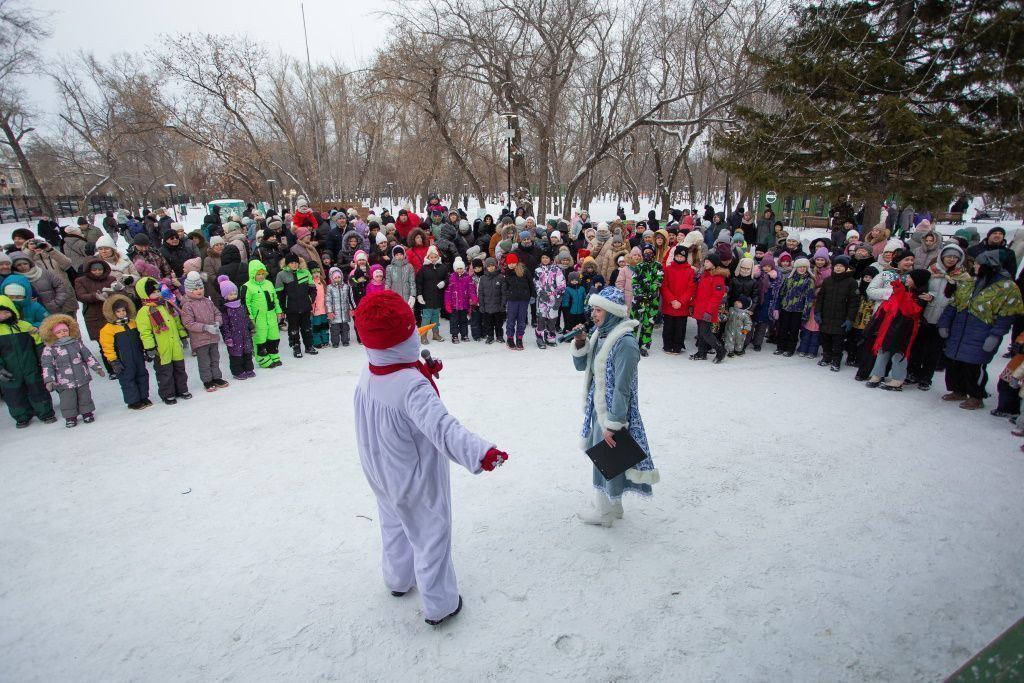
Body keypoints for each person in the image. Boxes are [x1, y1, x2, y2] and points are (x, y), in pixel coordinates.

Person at [351, 290, 507, 626]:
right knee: (430, 531)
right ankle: (441, 604)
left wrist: (422, 369)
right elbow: (441, 427)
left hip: (379, 470)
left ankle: (397, 579)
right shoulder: (410, 385)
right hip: (412, 475)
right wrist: (480, 452)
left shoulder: (370, 372)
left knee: (393, 522)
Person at [570, 286, 659, 527]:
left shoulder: (625, 343)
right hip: (598, 408)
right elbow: (582, 369)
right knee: (609, 457)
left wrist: (614, 423)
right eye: (593, 310)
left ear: (611, 312)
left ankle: (603, 513)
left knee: (604, 459)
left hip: (612, 412)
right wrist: (580, 342)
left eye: (598, 310)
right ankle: (614, 505)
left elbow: (623, 388)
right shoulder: (601, 335)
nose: (594, 315)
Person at [939, 250, 1024, 409]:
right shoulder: (969, 282)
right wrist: (944, 323)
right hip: (959, 330)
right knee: (953, 363)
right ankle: (958, 390)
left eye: (979, 264)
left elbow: (1008, 315)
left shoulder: (1007, 287)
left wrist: (995, 335)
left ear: (989, 266)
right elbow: (953, 304)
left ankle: (976, 396)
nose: (975, 266)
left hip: (981, 332)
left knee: (974, 366)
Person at [863, 271, 930, 390]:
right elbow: (889, 304)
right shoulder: (903, 290)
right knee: (883, 350)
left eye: (910, 277)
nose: (907, 279)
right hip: (889, 325)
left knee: (899, 353)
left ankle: (898, 379)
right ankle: (877, 374)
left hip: (905, 329)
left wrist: (901, 294)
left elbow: (910, 311)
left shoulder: (921, 296)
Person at [0, 294, 57, 428]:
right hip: (10, 369)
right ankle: (21, 416)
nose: (2, 316)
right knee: (14, 394)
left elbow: (37, 343)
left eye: (5, 312)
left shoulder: (24, 326)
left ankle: (46, 412)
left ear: (12, 311)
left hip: (30, 365)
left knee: (38, 389)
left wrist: (42, 361)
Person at [39, 315, 106, 427]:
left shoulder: (76, 343)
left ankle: (87, 413)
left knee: (85, 396)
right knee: (67, 399)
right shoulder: (50, 349)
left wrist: (97, 368)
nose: (63, 333)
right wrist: (49, 380)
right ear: (52, 334)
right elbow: (47, 366)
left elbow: (87, 356)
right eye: (59, 332)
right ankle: (70, 417)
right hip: (63, 381)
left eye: (65, 330)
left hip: (81, 377)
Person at [135, 277, 191, 405]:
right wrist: (150, 347)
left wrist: (182, 334)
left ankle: (182, 389)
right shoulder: (145, 311)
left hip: (174, 344)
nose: (157, 294)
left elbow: (176, 320)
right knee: (165, 372)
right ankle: (168, 393)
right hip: (161, 347)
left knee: (179, 368)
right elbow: (145, 332)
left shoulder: (167, 304)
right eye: (153, 292)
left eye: (158, 291)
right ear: (145, 294)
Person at [99, 294, 151, 408]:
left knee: (142, 375)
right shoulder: (108, 329)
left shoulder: (133, 323)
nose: (122, 313)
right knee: (128, 379)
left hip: (137, 355)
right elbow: (107, 346)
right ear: (112, 313)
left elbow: (141, 338)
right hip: (123, 359)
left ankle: (143, 396)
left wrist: (146, 350)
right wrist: (113, 360)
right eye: (118, 311)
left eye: (123, 310)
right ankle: (133, 401)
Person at [180, 272, 229, 392]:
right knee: (204, 361)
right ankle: (207, 380)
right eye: (195, 289)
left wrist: (217, 322)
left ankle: (217, 377)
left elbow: (217, 313)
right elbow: (188, 323)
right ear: (189, 290)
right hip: (200, 340)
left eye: (201, 287)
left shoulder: (208, 301)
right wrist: (205, 327)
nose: (199, 290)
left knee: (215, 358)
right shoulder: (187, 305)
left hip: (212, 337)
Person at [815, 255, 860, 371]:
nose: (838, 268)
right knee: (825, 339)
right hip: (826, 315)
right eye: (836, 266)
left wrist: (850, 318)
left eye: (841, 266)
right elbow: (820, 298)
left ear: (845, 268)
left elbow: (854, 303)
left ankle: (836, 360)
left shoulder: (852, 282)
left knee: (838, 341)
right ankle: (826, 357)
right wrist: (818, 312)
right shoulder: (827, 280)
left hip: (841, 317)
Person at [242, 259, 283, 369]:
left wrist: (279, 311)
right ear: (252, 274)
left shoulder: (269, 283)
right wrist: (250, 318)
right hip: (258, 318)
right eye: (258, 274)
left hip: (271, 315)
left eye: (262, 274)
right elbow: (245, 304)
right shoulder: (247, 287)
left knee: (274, 336)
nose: (261, 276)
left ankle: (273, 354)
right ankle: (262, 358)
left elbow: (275, 299)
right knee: (260, 338)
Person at [275, 254, 317, 358]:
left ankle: (309, 346)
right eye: (291, 263)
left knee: (307, 328)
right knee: (293, 329)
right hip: (291, 308)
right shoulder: (281, 275)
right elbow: (279, 294)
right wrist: (282, 309)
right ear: (287, 264)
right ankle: (296, 347)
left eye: (296, 262)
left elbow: (312, 288)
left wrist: (310, 299)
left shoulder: (305, 272)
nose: (294, 265)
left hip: (305, 306)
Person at [690, 255, 729, 362]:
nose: (705, 263)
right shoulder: (704, 275)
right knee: (700, 332)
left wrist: (709, 311)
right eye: (705, 261)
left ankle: (720, 349)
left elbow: (717, 297)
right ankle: (701, 352)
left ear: (714, 263)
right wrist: (693, 305)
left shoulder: (718, 277)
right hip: (699, 308)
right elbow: (699, 292)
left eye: (707, 262)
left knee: (705, 332)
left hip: (707, 311)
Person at [774, 258, 815, 357]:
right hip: (786, 308)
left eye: (804, 267)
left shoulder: (809, 280)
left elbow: (809, 299)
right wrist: (778, 306)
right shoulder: (789, 278)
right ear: (795, 268)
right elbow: (782, 292)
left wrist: (805, 313)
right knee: (783, 328)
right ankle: (780, 347)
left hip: (798, 310)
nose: (801, 269)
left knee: (794, 330)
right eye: (799, 267)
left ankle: (790, 349)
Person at [216, 275, 256, 380]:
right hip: (234, 336)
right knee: (236, 355)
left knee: (247, 352)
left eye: (235, 293)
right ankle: (238, 372)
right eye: (230, 294)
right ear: (225, 296)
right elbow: (224, 325)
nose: (233, 296)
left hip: (245, 334)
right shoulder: (225, 309)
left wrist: (250, 327)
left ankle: (249, 369)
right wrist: (227, 337)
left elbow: (246, 317)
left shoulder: (241, 304)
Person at [660, 245, 696, 354]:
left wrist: (681, 301)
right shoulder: (667, 269)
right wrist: (672, 300)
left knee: (680, 328)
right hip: (669, 304)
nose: (679, 258)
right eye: (678, 256)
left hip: (682, 305)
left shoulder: (690, 271)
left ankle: (677, 347)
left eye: (682, 256)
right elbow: (663, 286)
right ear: (674, 256)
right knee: (668, 327)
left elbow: (691, 288)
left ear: (685, 258)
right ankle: (667, 346)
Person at [632, 245, 664, 356]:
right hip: (638, 299)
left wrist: (651, 293)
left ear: (654, 254)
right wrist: (639, 293)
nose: (647, 254)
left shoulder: (658, 266)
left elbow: (658, 280)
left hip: (652, 300)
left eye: (650, 252)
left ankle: (643, 346)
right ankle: (630, 344)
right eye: (645, 252)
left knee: (648, 323)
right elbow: (635, 281)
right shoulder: (639, 266)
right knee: (634, 322)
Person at [533, 251, 566, 349]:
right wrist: (540, 292)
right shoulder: (538, 270)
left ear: (551, 259)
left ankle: (550, 336)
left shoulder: (556, 270)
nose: (544, 259)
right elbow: (536, 282)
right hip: (542, 298)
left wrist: (558, 297)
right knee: (541, 318)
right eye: (543, 257)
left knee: (552, 319)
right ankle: (540, 337)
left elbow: (562, 284)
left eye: (547, 258)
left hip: (553, 298)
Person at [502, 253, 533, 350]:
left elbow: (530, 283)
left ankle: (519, 338)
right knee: (511, 320)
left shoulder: (524, 270)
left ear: (517, 262)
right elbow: (505, 287)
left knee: (521, 320)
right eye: (509, 263)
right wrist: (507, 296)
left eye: (513, 262)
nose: (511, 264)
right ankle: (510, 338)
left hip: (523, 299)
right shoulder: (507, 273)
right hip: (512, 300)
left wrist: (532, 295)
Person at [444, 258, 477, 343]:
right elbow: (448, 292)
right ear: (455, 269)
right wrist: (447, 303)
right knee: (454, 321)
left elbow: (471, 289)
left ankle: (464, 334)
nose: (459, 270)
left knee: (464, 320)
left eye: (461, 268)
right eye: (457, 268)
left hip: (464, 304)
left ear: (464, 268)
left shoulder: (468, 278)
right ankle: (454, 335)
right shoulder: (451, 278)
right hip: (454, 305)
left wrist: (473, 298)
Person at [477, 257, 506, 345]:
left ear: (496, 266)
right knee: (488, 324)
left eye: (493, 266)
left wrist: (503, 304)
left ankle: (499, 336)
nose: (491, 268)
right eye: (489, 266)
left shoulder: (501, 277)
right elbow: (480, 292)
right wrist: (481, 305)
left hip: (498, 306)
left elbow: (504, 293)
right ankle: (490, 336)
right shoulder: (482, 278)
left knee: (498, 323)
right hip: (487, 306)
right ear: (486, 267)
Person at [325, 267, 353, 348]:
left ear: (341, 277)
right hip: (335, 313)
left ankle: (345, 341)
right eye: (335, 278)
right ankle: (335, 342)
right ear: (332, 278)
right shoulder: (329, 287)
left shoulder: (346, 287)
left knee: (345, 328)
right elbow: (328, 300)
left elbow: (349, 299)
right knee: (335, 329)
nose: (337, 279)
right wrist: (330, 311)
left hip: (344, 312)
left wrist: (350, 309)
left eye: (339, 277)